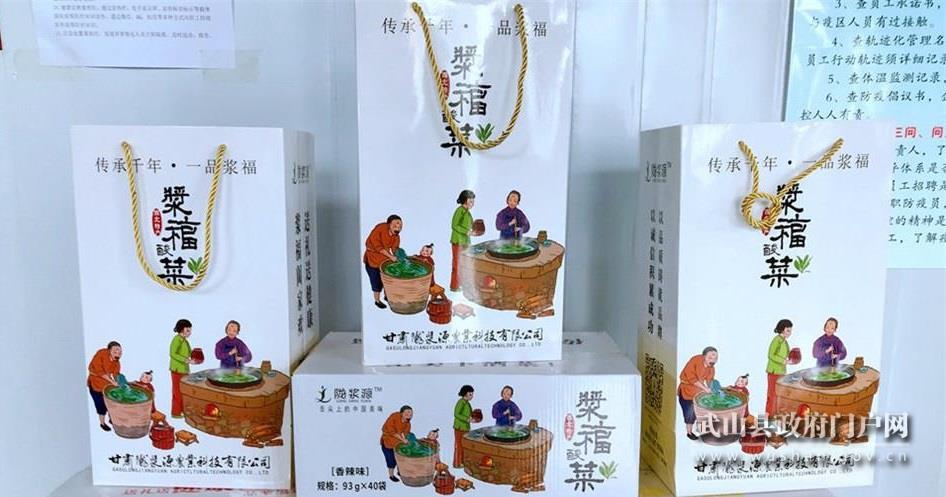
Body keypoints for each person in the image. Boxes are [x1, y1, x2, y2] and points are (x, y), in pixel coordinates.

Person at [677, 347, 717, 440]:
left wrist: (713, 389)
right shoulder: (695, 360)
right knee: (689, 413)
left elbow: (710, 380)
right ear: (704, 356)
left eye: (715, 358)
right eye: (710, 358)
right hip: (687, 390)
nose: (713, 361)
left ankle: (706, 430)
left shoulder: (711, 368)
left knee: (705, 409)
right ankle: (689, 432)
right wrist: (705, 389)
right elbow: (691, 378)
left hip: (698, 392)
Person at [364, 215, 402, 309]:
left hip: (385, 259)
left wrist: (400, 257)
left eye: (400, 226)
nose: (397, 228)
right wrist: (391, 257)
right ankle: (377, 300)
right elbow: (378, 247)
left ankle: (387, 296)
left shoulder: (396, 236)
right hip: (372, 258)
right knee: (376, 281)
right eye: (395, 226)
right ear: (389, 225)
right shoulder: (380, 228)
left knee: (388, 279)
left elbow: (395, 249)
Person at [87, 341, 122, 432]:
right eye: (115, 351)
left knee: (112, 403)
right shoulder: (101, 354)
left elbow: (116, 374)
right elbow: (99, 371)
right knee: (101, 405)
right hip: (95, 384)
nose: (118, 353)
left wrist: (120, 382)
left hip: (107, 385)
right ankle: (102, 423)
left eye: (120, 351)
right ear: (109, 350)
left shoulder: (117, 362)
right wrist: (112, 381)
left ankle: (112, 419)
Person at [766, 319, 793, 417]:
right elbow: (771, 355)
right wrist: (783, 361)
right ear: (782, 329)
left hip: (781, 372)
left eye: (790, 331)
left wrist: (791, 359)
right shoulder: (776, 340)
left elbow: (786, 355)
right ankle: (768, 417)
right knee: (772, 395)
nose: (790, 333)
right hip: (774, 371)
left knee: (779, 395)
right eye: (788, 330)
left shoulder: (784, 342)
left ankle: (775, 416)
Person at [169, 319, 196, 419]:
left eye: (190, 330)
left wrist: (194, 356)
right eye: (187, 330)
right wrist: (186, 360)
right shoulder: (177, 340)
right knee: (177, 392)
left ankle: (182, 410)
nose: (189, 332)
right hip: (177, 370)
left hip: (184, 369)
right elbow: (173, 353)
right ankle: (176, 412)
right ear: (181, 329)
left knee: (184, 391)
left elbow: (189, 352)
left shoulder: (185, 341)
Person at [450, 190, 476, 292]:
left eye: (473, 201)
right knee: (457, 264)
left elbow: (470, 225)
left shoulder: (468, 213)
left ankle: (463, 284)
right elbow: (454, 225)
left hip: (466, 241)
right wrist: (466, 231)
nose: (472, 203)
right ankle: (455, 286)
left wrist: (474, 230)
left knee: (465, 263)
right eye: (470, 201)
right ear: (464, 200)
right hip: (458, 241)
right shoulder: (459, 210)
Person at [380, 405, 414, 482]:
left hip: (398, 444)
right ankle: (391, 475)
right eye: (407, 413)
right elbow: (391, 431)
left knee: (401, 458)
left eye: (411, 414)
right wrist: (402, 439)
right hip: (387, 442)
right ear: (401, 413)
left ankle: (400, 472)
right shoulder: (394, 416)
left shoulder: (408, 424)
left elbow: (405, 434)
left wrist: (405, 440)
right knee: (391, 460)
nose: (409, 415)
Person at [453, 385, 475, 468]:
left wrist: (473, 417)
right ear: (465, 394)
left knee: (464, 445)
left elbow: (469, 414)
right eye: (470, 394)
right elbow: (456, 414)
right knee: (459, 445)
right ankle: (457, 463)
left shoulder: (467, 403)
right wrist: (467, 419)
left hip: (466, 427)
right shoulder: (461, 402)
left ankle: (462, 461)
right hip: (459, 427)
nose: (472, 396)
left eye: (472, 394)